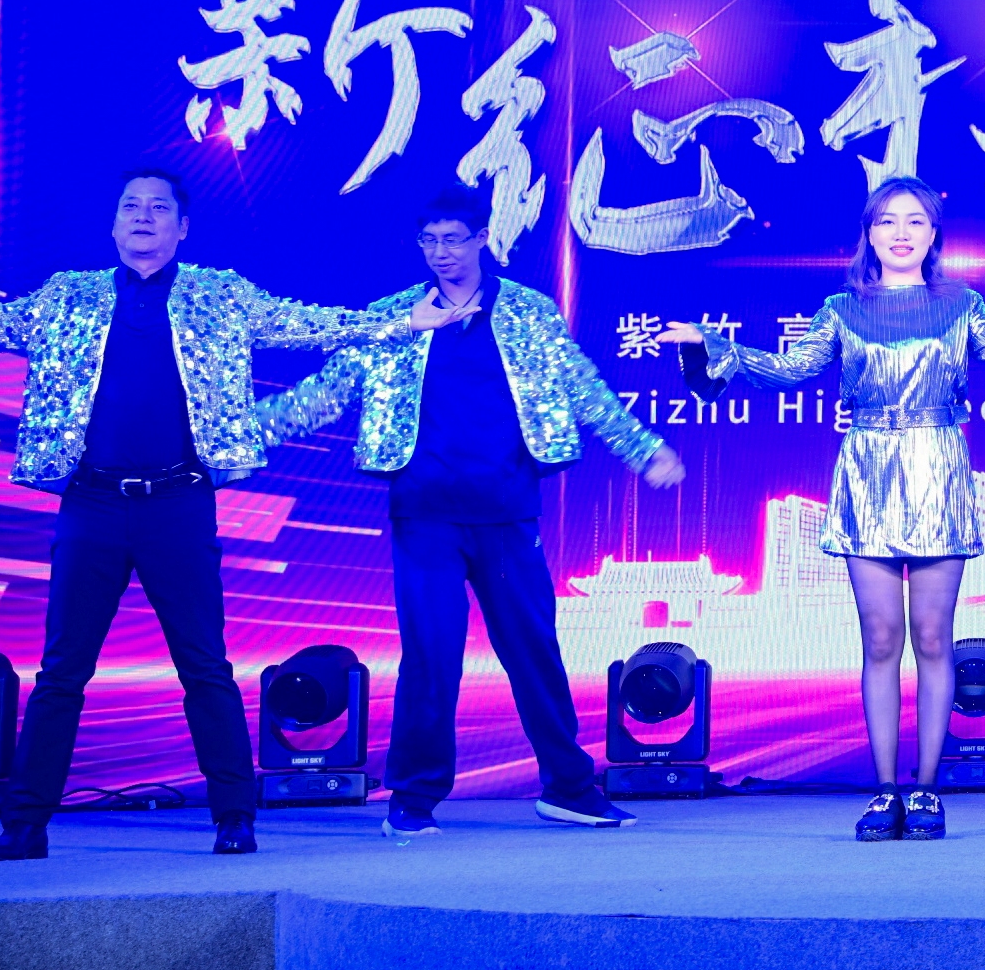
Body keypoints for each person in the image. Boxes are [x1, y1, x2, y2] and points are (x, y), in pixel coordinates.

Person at [0, 167, 471, 861]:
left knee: (204, 667)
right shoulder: (69, 296)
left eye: (159, 207)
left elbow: (308, 323)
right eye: (131, 205)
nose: (143, 216)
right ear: (114, 222)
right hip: (91, 504)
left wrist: (402, 321)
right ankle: (24, 825)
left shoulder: (219, 295)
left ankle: (234, 817)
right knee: (61, 672)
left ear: (183, 228)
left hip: (179, 503)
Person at [659, 176, 985, 842]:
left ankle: (928, 788)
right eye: (887, 221)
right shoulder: (840, 308)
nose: (901, 232)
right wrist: (713, 346)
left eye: (915, 220)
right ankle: (885, 790)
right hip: (867, 471)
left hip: (939, 468)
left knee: (933, 638)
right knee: (881, 638)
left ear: (934, 233)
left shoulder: (962, 304)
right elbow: (792, 369)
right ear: (869, 233)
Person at [265, 186, 686, 838]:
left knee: (534, 651)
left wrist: (642, 449)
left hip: (507, 510)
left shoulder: (526, 312)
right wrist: (233, 437)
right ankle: (413, 797)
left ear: (482, 239)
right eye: (429, 241)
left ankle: (570, 788)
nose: (442, 253)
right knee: (430, 657)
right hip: (425, 514)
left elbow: (584, 387)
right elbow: (326, 391)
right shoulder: (397, 317)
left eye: (453, 239)